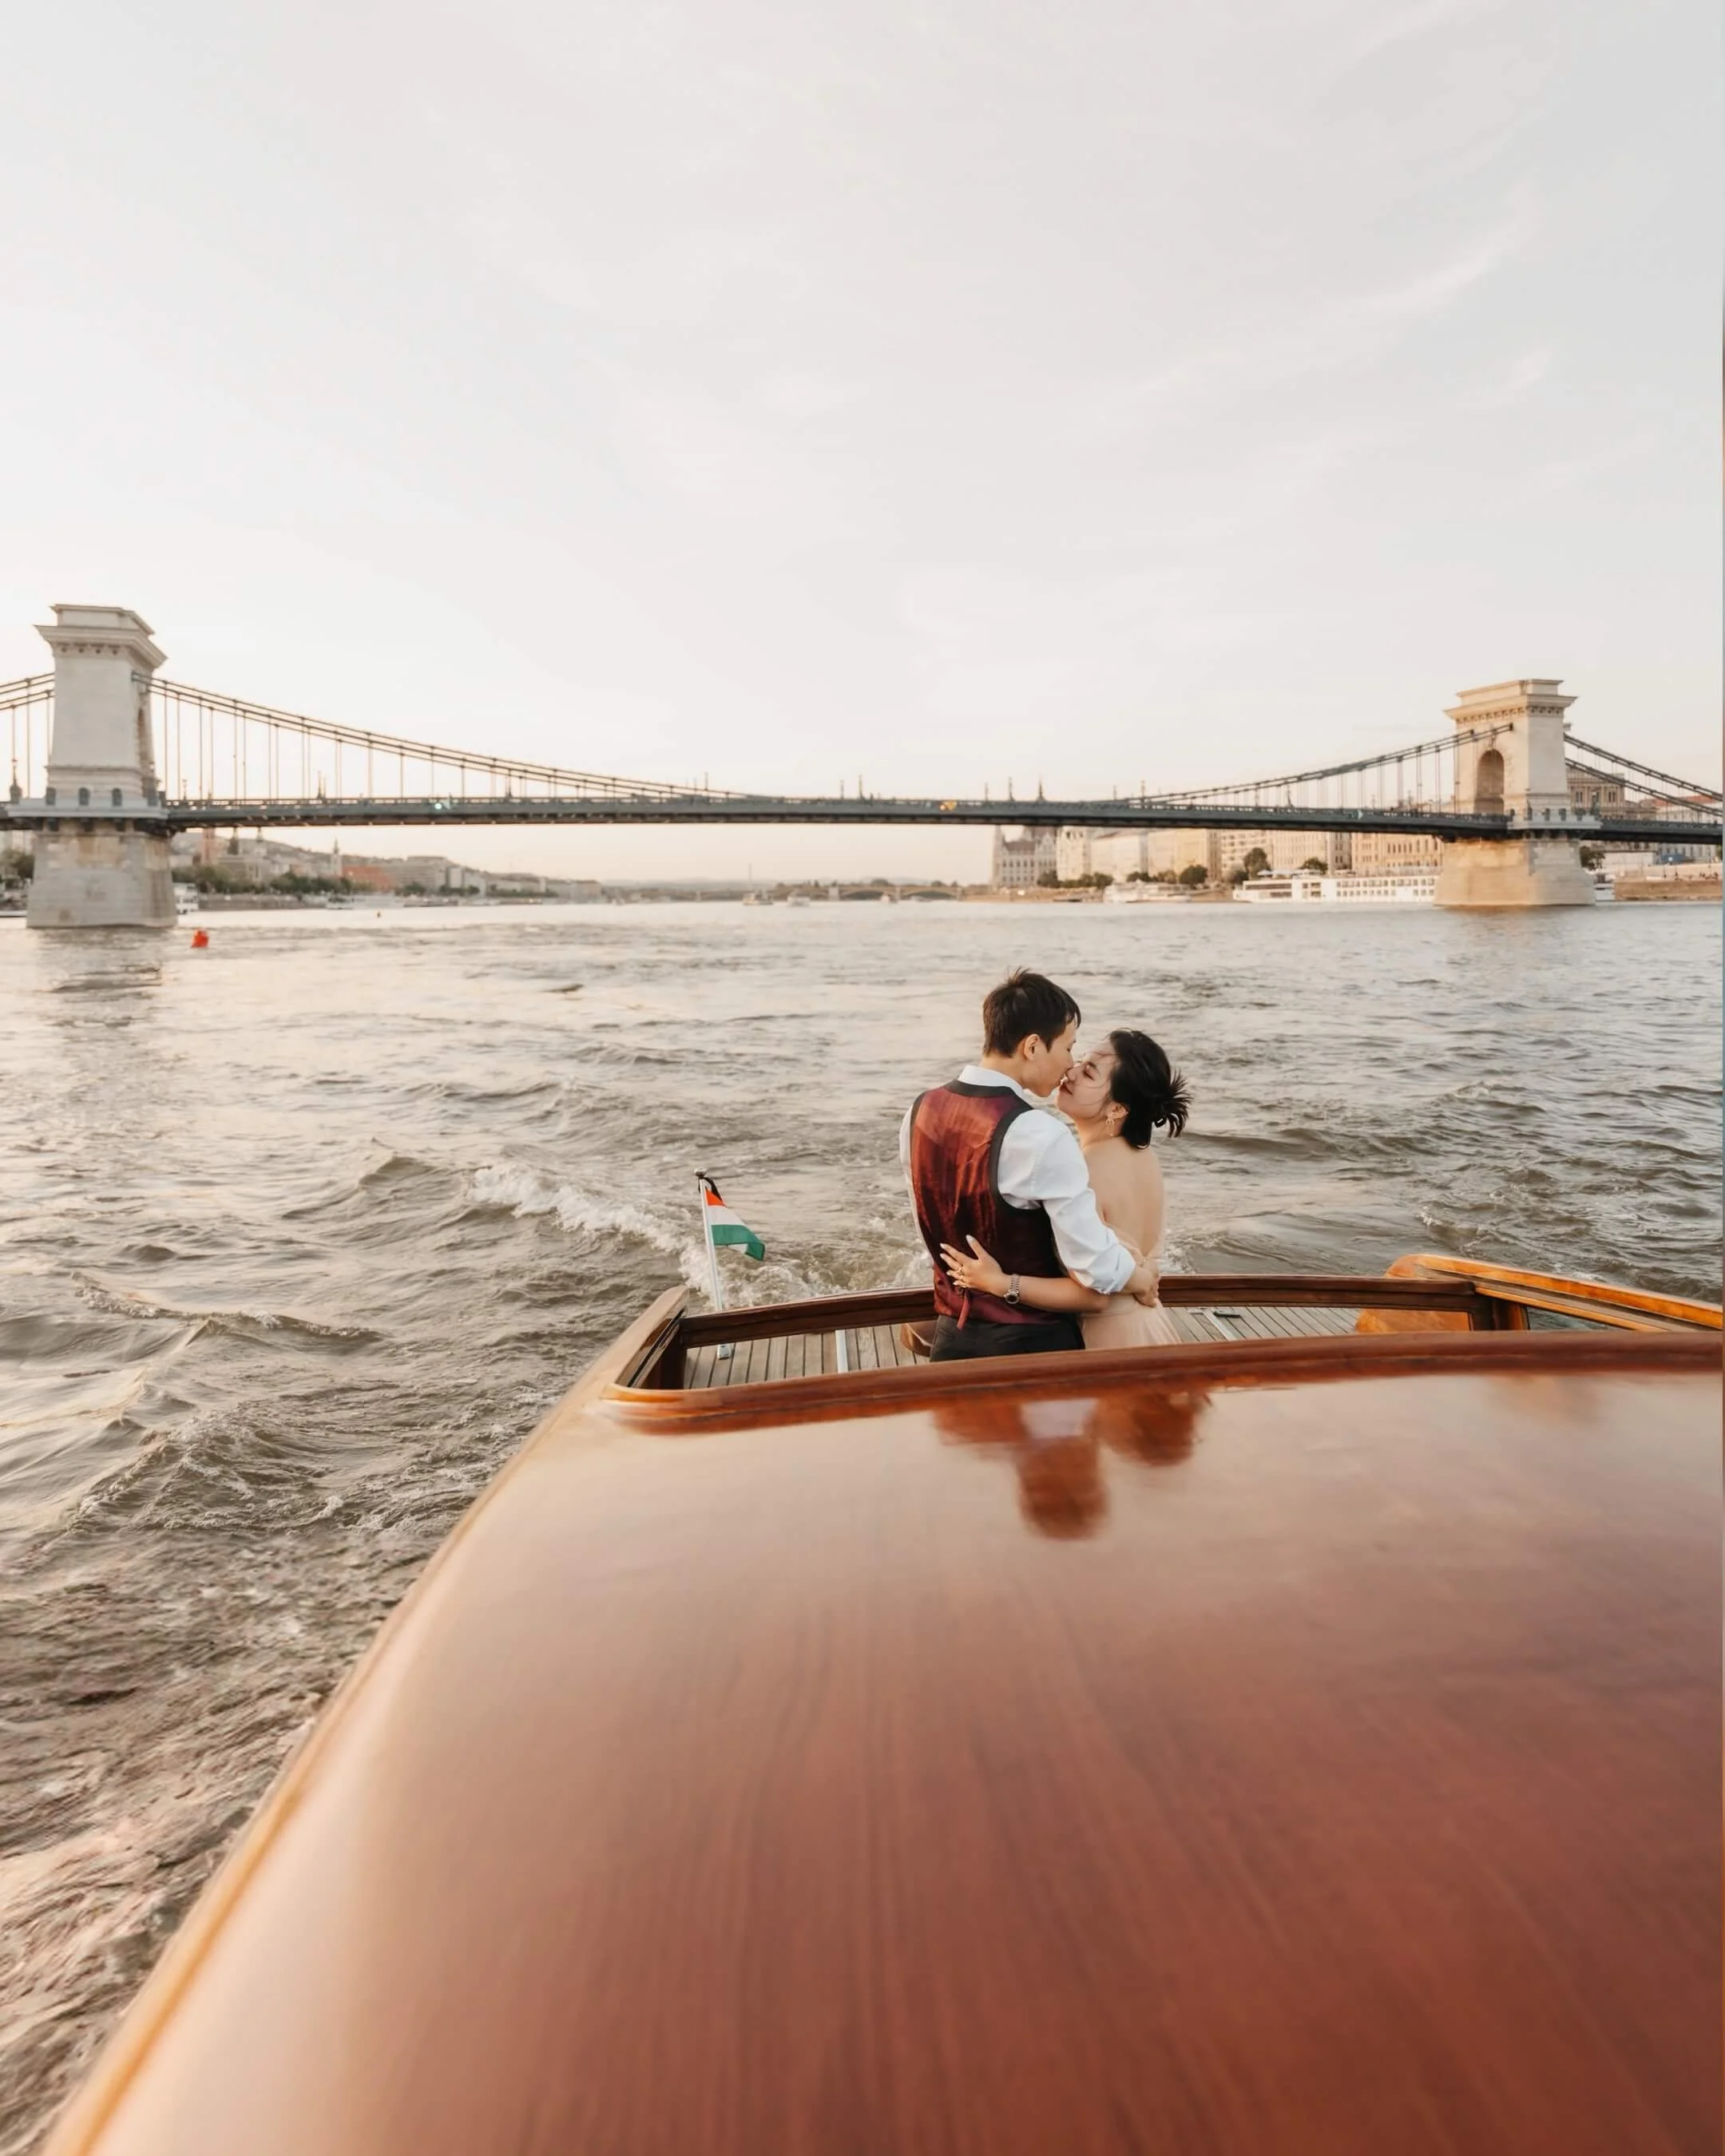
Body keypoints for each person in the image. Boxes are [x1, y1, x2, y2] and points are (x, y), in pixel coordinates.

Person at [901, 970, 1161, 1362]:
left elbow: (932, 1222)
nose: (1069, 1064)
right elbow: (1095, 1268)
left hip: (952, 1339)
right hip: (1033, 1350)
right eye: (1069, 1047)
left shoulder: (918, 1111)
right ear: (1033, 1046)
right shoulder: (1040, 1134)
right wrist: (1141, 1279)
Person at [940, 1029, 1190, 1350]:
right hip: (1152, 1325)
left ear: (1117, 1109)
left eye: (1089, 1073)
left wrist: (1001, 1283)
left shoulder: (1084, 1170)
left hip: (1107, 1341)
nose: (1071, 1072)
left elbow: (1094, 1297)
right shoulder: (1145, 1157)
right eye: (1080, 1060)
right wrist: (1141, 1279)